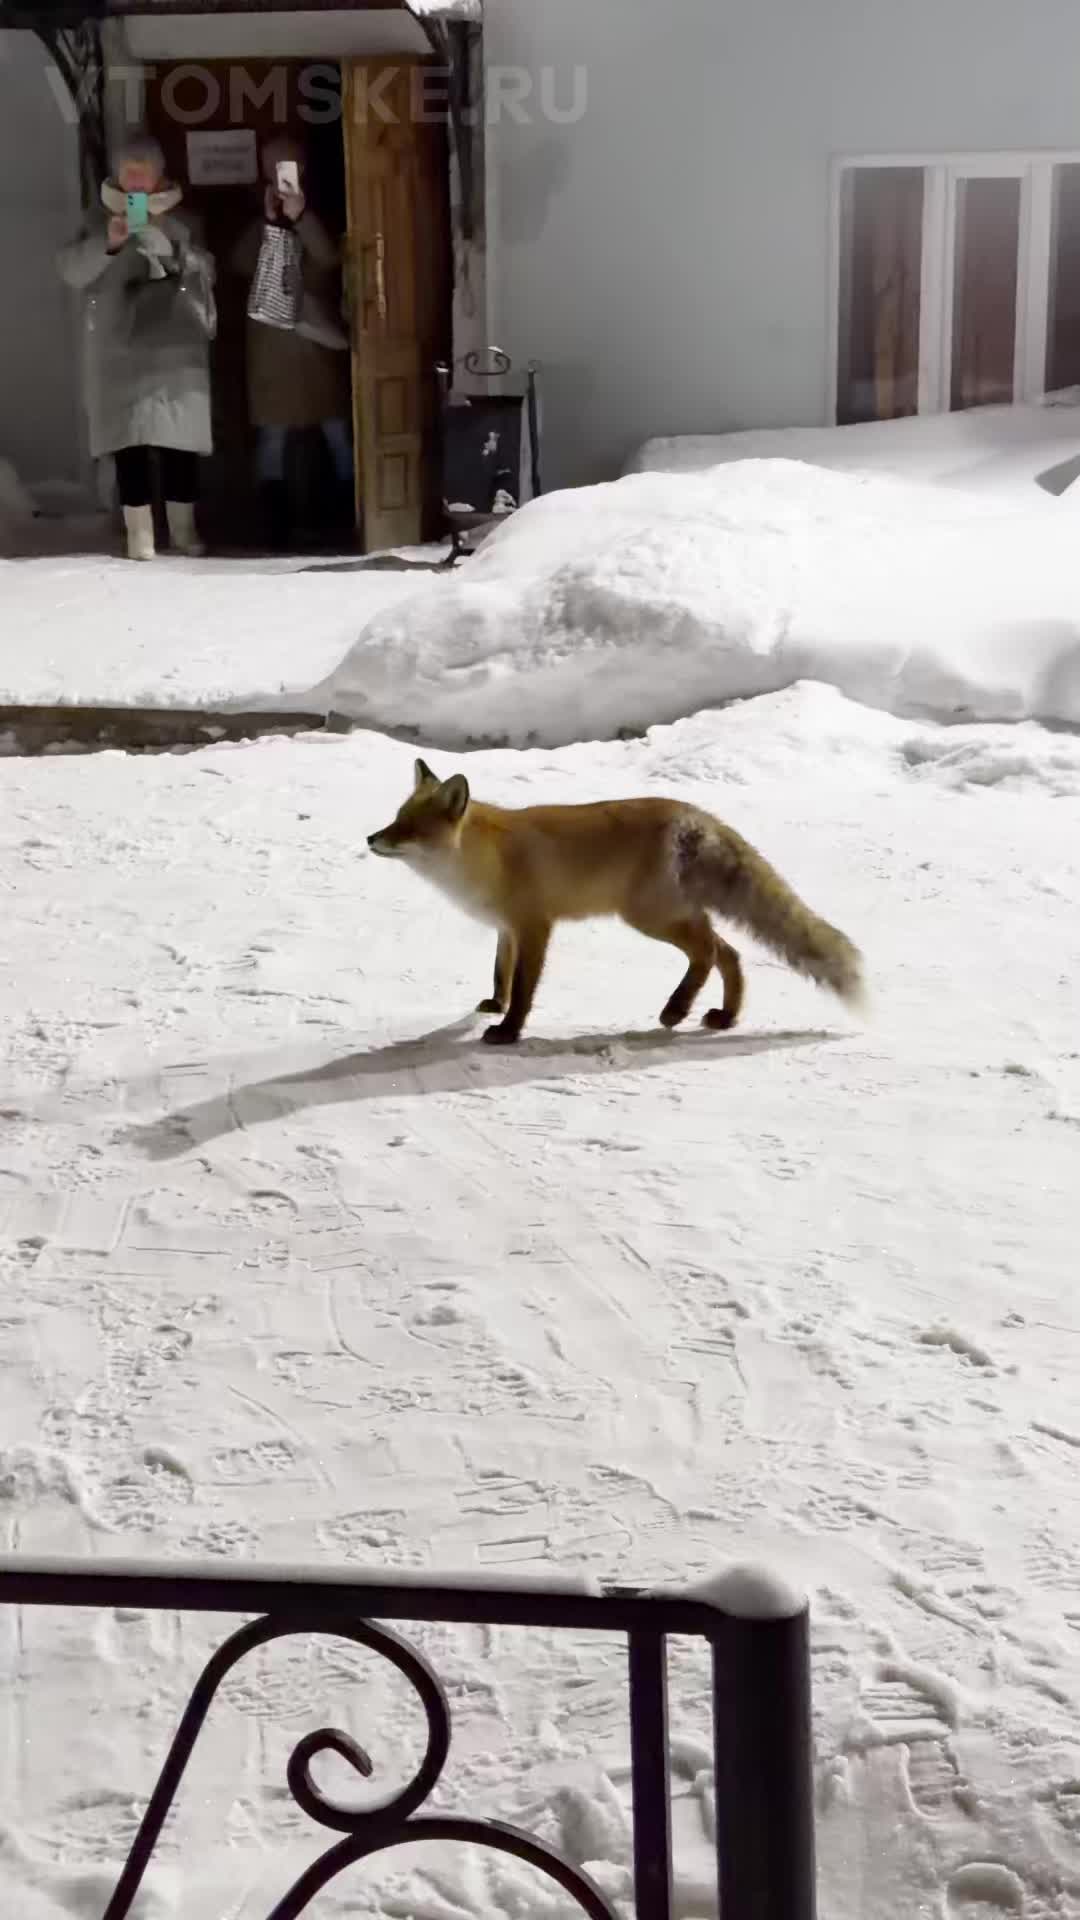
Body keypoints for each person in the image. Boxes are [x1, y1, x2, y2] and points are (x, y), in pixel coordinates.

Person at [58, 133, 215, 562]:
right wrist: (109, 244)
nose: (137, 188)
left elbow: (208, 272)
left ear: (160, 175)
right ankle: (139, 534)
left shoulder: (184, 218)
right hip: (119, 347)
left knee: (178, 440)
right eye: (129, 178)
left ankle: (184, 530)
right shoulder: (96, 218)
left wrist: (172, 247)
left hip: (175, 345)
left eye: (145, 177)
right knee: (129, 442)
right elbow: (71, 272)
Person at [233, 136, 353, 550]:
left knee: (338, 434)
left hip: (315, 341)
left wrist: (301, 217)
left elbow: (329, 258)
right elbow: (241, 263)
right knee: (273, 438)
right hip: (273, 345)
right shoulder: (255, 212)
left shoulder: (324, 209)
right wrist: (270, 224)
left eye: (287, 165)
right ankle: (274, 527)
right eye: (272, 166)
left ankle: (348, 520)